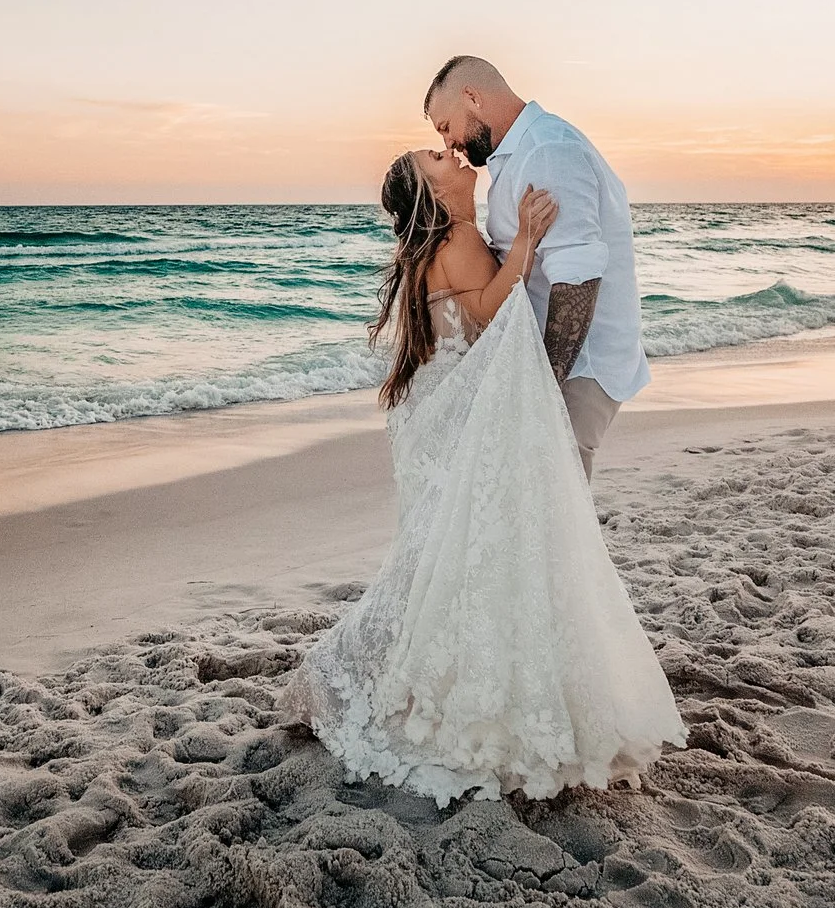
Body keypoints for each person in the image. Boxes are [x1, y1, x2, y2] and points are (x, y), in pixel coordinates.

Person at [276, 122, 685, 805]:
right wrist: (524, 243)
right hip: (455, 413)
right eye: (439, 158)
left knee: (444, 550)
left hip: (434, 410)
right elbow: (491, 317)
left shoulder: (438, 247)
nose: (455, 154)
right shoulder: (460, 239)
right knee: (460, 548)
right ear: (435, 196)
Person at [423, 56, 650, 479]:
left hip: (579, 367)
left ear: (472, 98)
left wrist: (544, 387)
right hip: (558, 363)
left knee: (557, 508)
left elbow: (577, 276)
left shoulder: (547, 151)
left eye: (445, 126)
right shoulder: (517, 157)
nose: (449, 143)